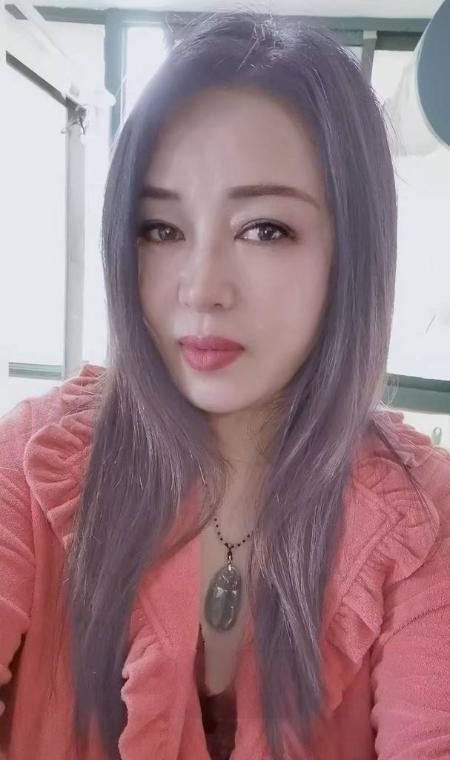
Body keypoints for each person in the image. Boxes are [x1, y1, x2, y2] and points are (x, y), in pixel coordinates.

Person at [1, 10, 449, 760]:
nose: (201, 288)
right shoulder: (31, 461)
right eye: (161, 229)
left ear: (351, 252)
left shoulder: (419, 514)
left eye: (264, 229)